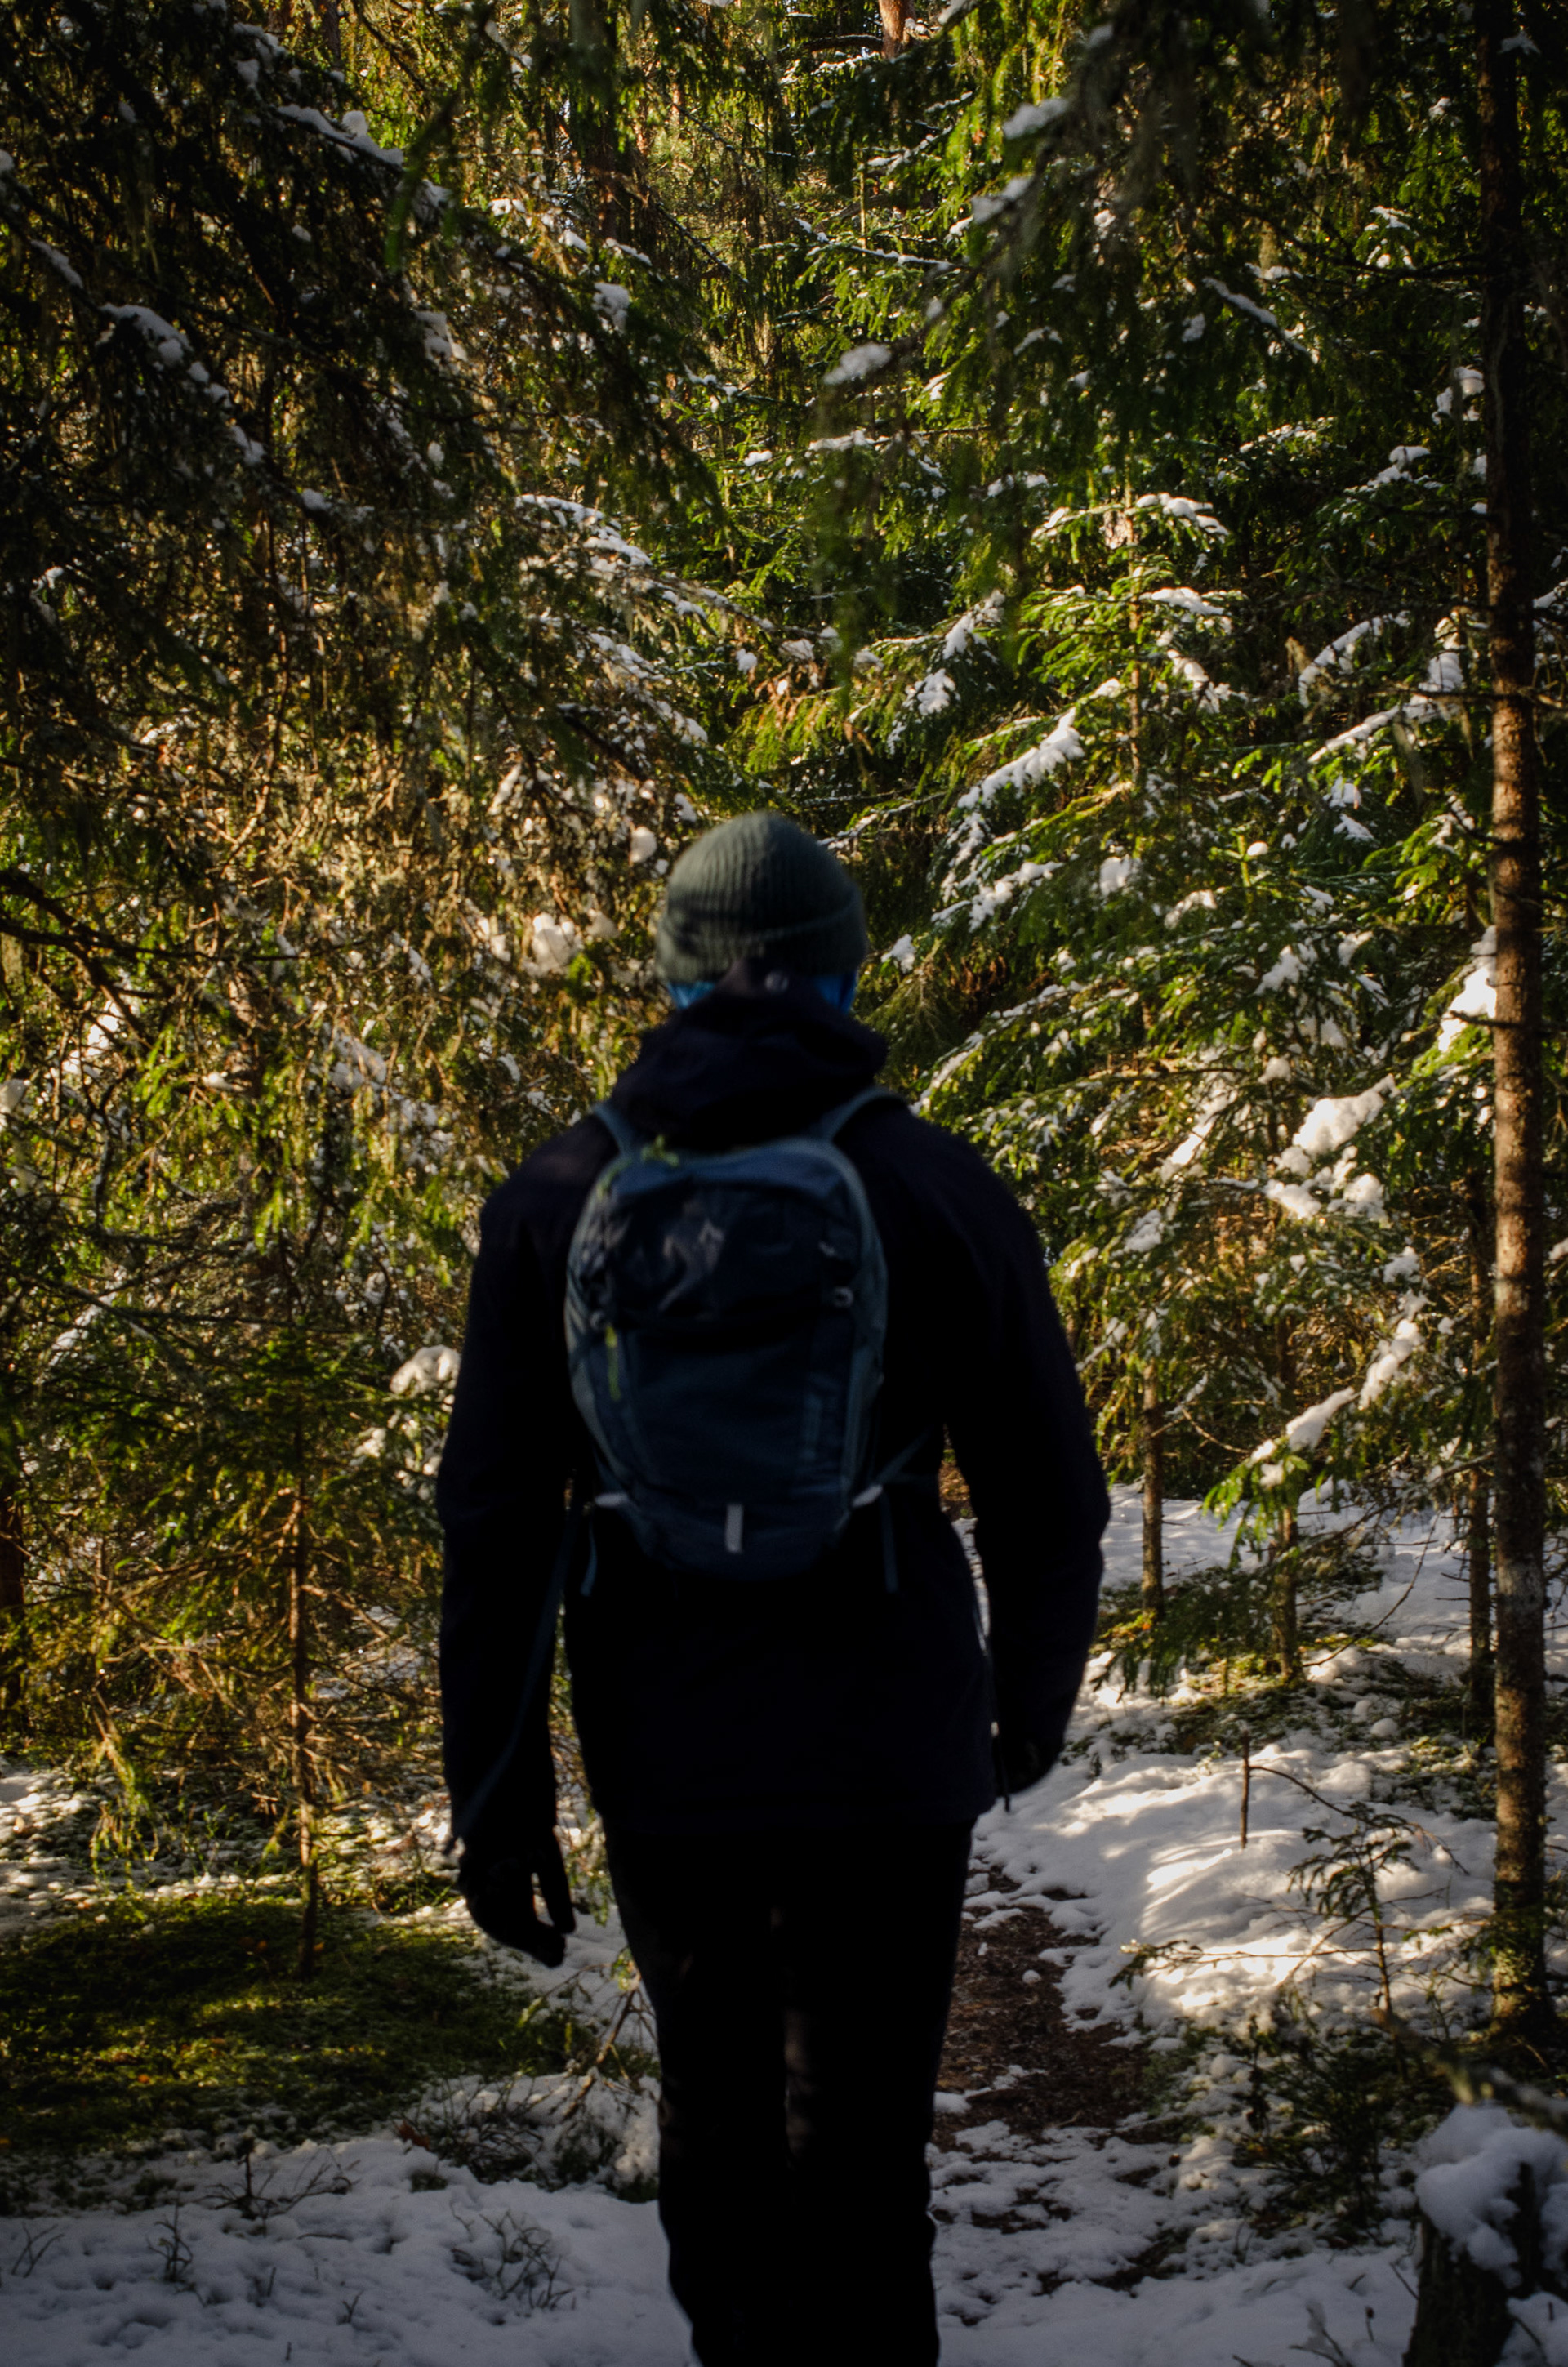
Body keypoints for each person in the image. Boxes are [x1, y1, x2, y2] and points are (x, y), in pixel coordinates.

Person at [437, 809, 1109, 2367]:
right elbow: (1048, 1489)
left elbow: (494, 1519)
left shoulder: (559, 1193)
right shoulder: (931, 1183)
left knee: (722, 2125)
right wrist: (1023, 1710)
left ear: (674, 976)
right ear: (845, 971)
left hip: (665, 1743)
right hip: (890, 1743)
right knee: (861, 2149)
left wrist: (499, 1799)